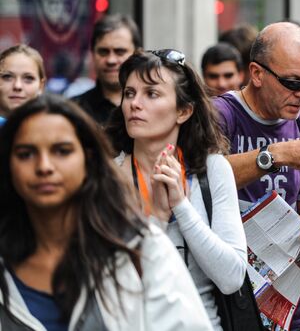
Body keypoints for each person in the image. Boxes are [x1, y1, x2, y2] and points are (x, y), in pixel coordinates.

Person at [0, 94, 212, 330]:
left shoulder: (141, 247)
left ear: (88, 160)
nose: (44, 167)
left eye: (62, 151)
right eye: (26, 154)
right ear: (8, 164)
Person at [213, 21, 300, 330]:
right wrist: (276, 154)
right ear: (257, 73)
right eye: (292, 82)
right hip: (230, 295)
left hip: (285, 299)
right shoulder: (221, 115)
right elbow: (204, 180)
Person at [105, 49, 247, 330]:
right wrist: (156, 217)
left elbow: (231, 278)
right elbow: (113, 281)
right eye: (130, 93)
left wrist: (181, 206)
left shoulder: (213, 170)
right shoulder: (107, 175)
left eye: (151, 94)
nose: (135, 104)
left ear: (184, 111)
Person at [74, 14, 141, 125]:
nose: (111, 60)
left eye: (120, 51)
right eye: (103, 51)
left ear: (137, 53)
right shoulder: (75, 111)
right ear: (92, 54)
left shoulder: (152, 108)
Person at [0, 45, 46, 121]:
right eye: (7, 77)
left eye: (28, 78)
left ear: (41, 86)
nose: (17, 86)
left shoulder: (54, 130)